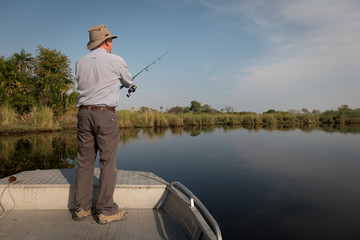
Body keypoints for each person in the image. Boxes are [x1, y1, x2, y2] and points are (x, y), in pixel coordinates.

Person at [72, 24, 134, 224]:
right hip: (105, 115)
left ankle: (81, 208)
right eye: (111, 40)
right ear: (107, 42)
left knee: (84, 162)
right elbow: (128, 81)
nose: (112, 43)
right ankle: (107, 210)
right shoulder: (116, 60)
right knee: (107, 163)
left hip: (83, 114)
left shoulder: (80, 62)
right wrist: (130, 85)